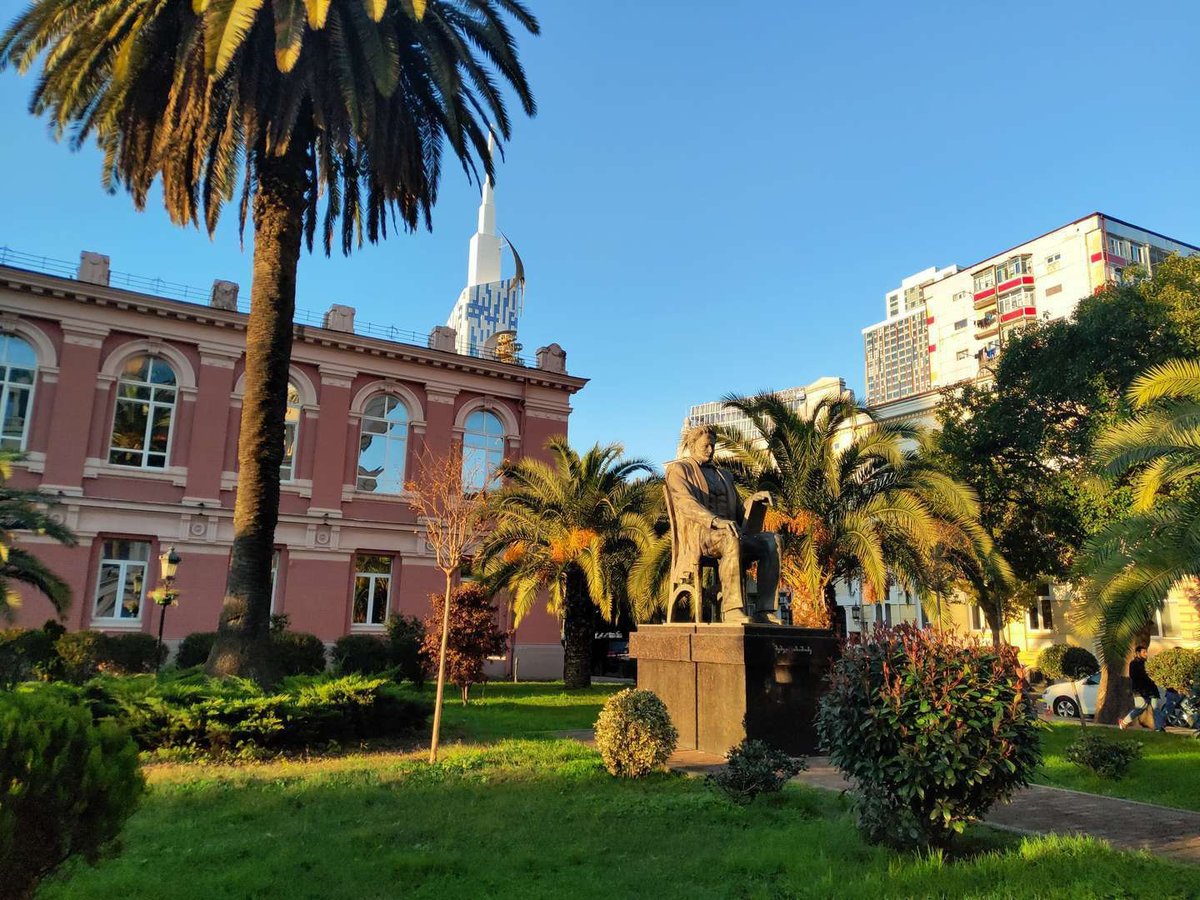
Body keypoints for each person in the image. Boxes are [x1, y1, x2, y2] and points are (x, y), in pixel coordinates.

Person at [664, 425, 780, 624]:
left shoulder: (724, 475)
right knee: (730, 536)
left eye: (713, 446)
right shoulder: (679, 470)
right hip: (700, 536)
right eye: (706, 446)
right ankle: (732, 609)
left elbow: (738, 513)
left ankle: (764, 611)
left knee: (772, 542)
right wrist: (715, 521)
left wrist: (755, 500)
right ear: (692, 446)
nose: (710, 450)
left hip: (731, 531)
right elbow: (685, 503)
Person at [1119, 646, 1162, 730]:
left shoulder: (1149, 664)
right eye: (1144, 652)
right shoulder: (1134, 664)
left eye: (1146, 652)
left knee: (1155, 708)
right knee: (1140, 707)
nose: (1146, 654)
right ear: (1138, 653)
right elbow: (1134, 677)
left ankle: (1159, 728)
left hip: (1152, 689)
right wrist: (1147, 677)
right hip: (1139, 690)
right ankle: (1124, 722)